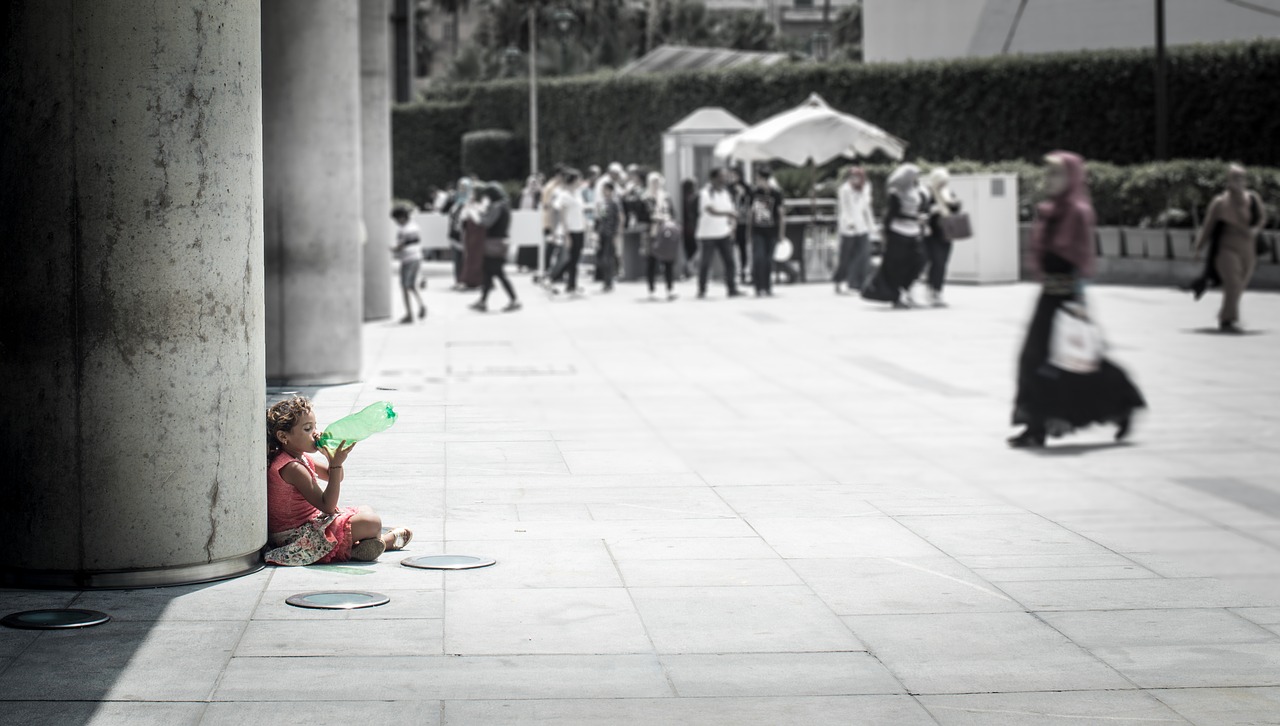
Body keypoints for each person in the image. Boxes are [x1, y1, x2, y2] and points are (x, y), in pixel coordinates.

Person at [1009, 151, 1146, 448]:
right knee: (1036, 359)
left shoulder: (1078, 212)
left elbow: (1081, 260)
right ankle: (1036, 425)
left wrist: (1079, 303)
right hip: (1049, 295)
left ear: (1072, 177)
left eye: (1056, 173)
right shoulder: (1050, 210)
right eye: (1048, 173)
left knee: (1076, 360)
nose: (1050, 179)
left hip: (1068, 296)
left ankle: (1122, 404)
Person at [264, 396, 412, 566]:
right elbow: (327, 505)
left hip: (311, 523)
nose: (315, 433)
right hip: (296, 537)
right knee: (372, 522)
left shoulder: (299, 457)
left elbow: (334, 476)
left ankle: (359, 549)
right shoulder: (292, 468)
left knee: (366, 510)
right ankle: (385, 542)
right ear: (283, 436)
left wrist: (330, 457)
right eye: (307, 429)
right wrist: (335, 465)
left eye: (315, 426)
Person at [1191, 164, 1266, 333]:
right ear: (1229, 181)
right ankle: (1227, 320)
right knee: (1233, 282)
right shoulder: (1220, 202)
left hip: (1248, 247)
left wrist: (1254, 231)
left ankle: (1228, 315)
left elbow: (1261, 219)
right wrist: (1199, 247)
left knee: (1240, 284)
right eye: (1235, 178)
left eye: (1242, 177)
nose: (1239, 181)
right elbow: (1208, 226)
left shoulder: (1252, 198)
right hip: (1227, 247)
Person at [878, 163, 927, 309]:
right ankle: (896, 296)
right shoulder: (896, 193)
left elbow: (921, 207)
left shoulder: (918, 192)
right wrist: (885, 233)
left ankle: (906, 289)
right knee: (896, 266)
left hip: (914, 232)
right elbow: (892, 214)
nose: (917, 178)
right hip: (898, 232)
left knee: (919, 261)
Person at [470, 184, 521, 313]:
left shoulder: (497, 206)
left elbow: (487, 222)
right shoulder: (505, 206)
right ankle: (483, 301)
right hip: (500, 242)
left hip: (494, 243)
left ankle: (514, 299)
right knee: (488, 272)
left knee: (497, 272)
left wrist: (476, 215)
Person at [696, 168, 742, 299]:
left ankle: (732, 288)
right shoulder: (706, 193)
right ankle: (702, 289)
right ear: (714, 178)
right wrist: (728, 214)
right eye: (722, 176)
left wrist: (732, 225)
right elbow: (710, 210)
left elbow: (731, 211)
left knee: (730, 262)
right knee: (705, 263)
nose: (725, 179)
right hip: (708, 234)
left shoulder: (725, 193)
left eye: (726, 176)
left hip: (724, 233)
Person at [922, 167, 963, 307]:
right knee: (936, 262)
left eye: (945, 181)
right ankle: (932, 290)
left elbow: (957, 208)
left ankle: (937, 290)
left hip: (947, 233)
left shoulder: (949, 193)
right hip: (932, 233)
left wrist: (951, 202)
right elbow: (922, 210)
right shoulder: (927, 193)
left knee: (943, 263)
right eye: (941, 181)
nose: (943, 184)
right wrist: (933, 210)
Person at [835, 166, 876, 295]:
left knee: (863, 254)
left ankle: (859, 282)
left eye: (857, 177)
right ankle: (840, 280)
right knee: (846, 256)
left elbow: (867, 208)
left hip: (862, 226)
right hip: (848, 227)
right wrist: (849, 222)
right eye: (852, 177)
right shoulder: (845, 189)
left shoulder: (866, 188)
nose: (855, 180)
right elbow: (844, 208)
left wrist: (871, 225)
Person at [547, 169, 588, 295]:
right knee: (570, 258)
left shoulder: (578, 194)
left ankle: (571, 284)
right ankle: (554, 278)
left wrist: (585, 227)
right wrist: (566, 234)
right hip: (570, 230)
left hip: (579, 228)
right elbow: (562, 215)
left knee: (575, 259)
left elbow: (581, 212)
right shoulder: (564, 195)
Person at [747, 167, 785, 297]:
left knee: (769, 260)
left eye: (758, 179)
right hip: (758, 231)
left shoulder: (776, 194)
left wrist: (781, 232)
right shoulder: (754, 193)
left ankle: (767, 286)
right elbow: (751, 214)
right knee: (759, 259)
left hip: (772, 231)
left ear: (764, 179)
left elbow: (780, 214)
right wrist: (749, 232)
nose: (757, 181)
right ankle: (758, 287)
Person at [644, 172, 678, 300]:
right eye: (653, 182)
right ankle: (651, 289)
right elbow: (644, 216)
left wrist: (666, 219)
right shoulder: (646, 198)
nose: (656, 185)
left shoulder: (666, 197)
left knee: (668, 261)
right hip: (652, 233)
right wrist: (654, 218)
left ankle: (670, 288)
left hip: (666, 233)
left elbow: (673, 213)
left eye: (658, 182)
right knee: (651, 262)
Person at [390, 207, 427, 324]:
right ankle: (421, 304)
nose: (396, 222)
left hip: (407, 259)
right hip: (417, 257)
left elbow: (400, 247)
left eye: (396, 220)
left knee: (405, 287)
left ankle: (409, 314)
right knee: (412, 285)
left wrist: (391, 249)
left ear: (401, 218)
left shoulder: (403, 230)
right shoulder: (415, 226)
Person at [595, 182, 622, 293]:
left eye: (606, 190)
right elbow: (600, 219)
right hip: (602, 233)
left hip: (611, 233)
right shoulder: (602, 203)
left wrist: (617, 233)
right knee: (601, 257)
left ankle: (609, 281)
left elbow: (619, 218)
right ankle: (605, 280)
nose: (605, 192)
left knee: (608, 258)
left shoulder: (615, 203)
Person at [728, 167, 752, 286]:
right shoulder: (728, 189)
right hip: (731, 222)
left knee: (743, 248)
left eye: (734, 175)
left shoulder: (746, 188)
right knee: (731, 248)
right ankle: (734, 272)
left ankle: (743, 271)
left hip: (742, 222)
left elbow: (750, 204)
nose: (732, 177)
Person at [680, 178, 700, 278]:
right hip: (691, 228)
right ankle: (689, 267)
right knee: (694, 249)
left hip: (685, 227)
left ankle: (688, 267)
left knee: (688, 250)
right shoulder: (693, 198)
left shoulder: (681, 198)